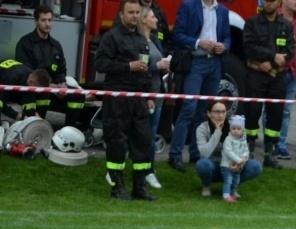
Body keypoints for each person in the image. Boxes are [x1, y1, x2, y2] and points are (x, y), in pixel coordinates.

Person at [95, 0, 156, 201]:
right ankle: (117, 187)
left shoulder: (141, 39)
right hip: (117, 96)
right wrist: (128, 66)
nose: (134, 16)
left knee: (143, 141)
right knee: (117, 142)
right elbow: (101, 63)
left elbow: (145, 70)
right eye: (130, 12)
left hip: (138, 98)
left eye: (138, 12)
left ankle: (139, 187)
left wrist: (148, 96)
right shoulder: (111, 37)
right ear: (121, 14)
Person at [168, 0, 231, 172]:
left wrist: (224, 46)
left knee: (205, 111)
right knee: (189, 107)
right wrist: (198, 42)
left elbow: (227, 37)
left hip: (215, 64)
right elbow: (177, 34)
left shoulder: (223, 11)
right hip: (195, 62)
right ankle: (175, 155)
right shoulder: (188, 6)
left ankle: (195, 154)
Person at [14, 4, 86, 130]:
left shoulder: (56, 45)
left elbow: (61, 70)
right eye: (43, 20)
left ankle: (68, 131)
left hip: (53, 89)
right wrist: (52, 87)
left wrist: (62, 84)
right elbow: (27, 74)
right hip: (32, 90)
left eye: (50, 20)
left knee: (78, 95)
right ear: (35, 21)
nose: (47, 24)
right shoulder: (25, 43)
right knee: (44, 94)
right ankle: (38, 128)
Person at [243, 0, 295, 169]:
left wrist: (272, 64)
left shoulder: (286, 25)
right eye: (266, 0)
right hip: (256, 73)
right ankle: (248, 148)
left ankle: (269, 152)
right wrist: (272, 56)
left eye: (272, 1)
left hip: (277, 76)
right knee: (252, 111)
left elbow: (291, 50)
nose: (268, 4)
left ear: (279, 2)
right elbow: (249, 47)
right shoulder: (252, 22)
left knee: (275, 113)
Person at [196, 100, 263, 197]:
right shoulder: (202, 128)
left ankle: (231, 187)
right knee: (202, 164)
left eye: (223, 111)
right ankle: (207, 185)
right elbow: (205, 153)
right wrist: (217, 132)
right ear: (209, 113)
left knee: (256, 167)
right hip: (212, 167)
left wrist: (240, 164)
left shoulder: (235, 127)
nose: (221, 115)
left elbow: (245, 149)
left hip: (232, 166)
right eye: (217, 112)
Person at [138, 5, 171, 190]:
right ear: (144, 20)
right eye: (152, 17)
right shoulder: (136, 41)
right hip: (143, 94)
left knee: (151, 135)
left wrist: (164, 66)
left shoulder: (155, 40)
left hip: (157, 93)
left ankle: (149, 171)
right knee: (136, 134)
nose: (157, 20)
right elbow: (139, 67)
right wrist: (156, 66)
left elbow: (157, 63)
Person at [272, 0, 296, 160]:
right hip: (276, 71)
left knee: (286, 110)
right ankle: (270, 143)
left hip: (294, 73)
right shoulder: (274, 17)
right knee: (272, 109)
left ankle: (281, 144)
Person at [220, 115, 249, 202]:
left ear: (243, 130)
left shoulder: (243, 140)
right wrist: (239, 160)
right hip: (227, 165)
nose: (236, 131)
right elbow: (228, 152)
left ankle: (232, 192)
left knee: (236, 180)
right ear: (230, 129)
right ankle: (226, 196)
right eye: (233, 128)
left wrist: (243, 158)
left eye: (239, 129)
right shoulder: (228, 139)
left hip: (239, 165)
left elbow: (246, 150)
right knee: (228, 180)